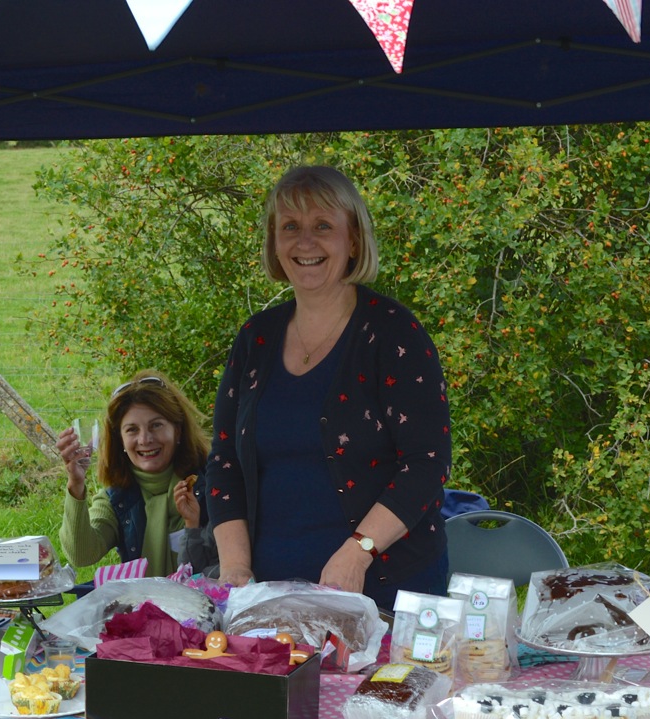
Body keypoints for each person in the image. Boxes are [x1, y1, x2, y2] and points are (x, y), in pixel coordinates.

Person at [205, 165, 451, 612]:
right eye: (290, 227)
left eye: (323, 226)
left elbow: (427, 463)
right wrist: (236, 568)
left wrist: (357, 553)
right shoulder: (255, 339)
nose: (305, 242)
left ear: (353, 240)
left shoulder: (394, 333)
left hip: (386, 594)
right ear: (274, 241)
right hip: (270, 598)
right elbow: (224, 464)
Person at [56, 371, 213, 578]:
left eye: (156, 425)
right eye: (132, 430)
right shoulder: (117, 498)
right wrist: (75, 484)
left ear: (178, 430)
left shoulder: (211, 485)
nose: (145, 439)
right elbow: (81, 555)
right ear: (120, 440)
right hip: (141, 600)